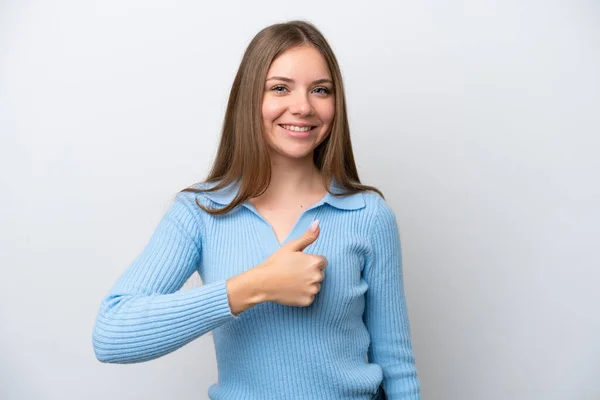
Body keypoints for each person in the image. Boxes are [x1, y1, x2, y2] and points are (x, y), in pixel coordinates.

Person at [92, 20, 421, 400]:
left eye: (320, 90)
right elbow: (112, 335)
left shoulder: (369, 215)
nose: (302, 106)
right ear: (250, 99)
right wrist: (254, 286)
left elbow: (396, 364)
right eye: (280, 88)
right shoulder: (200, 211)